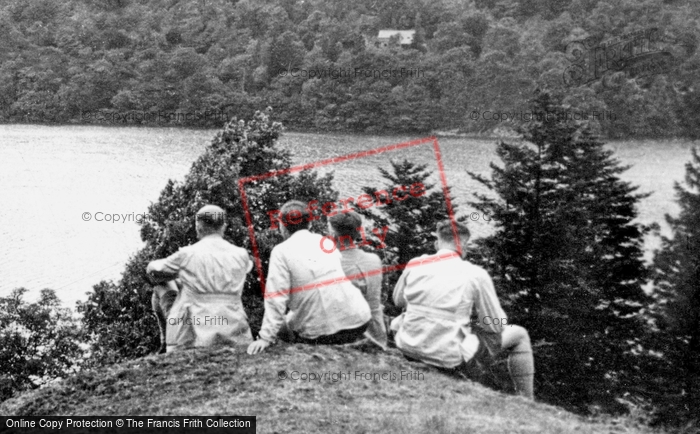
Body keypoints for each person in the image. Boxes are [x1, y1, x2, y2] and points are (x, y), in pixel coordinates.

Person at [391, 219, 535, 399]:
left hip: (409, 349)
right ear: (464, 246)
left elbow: (398, 301)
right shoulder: (476, 274)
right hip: (448, 359)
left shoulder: (416, 263)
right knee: (519, 334)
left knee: (400, 320)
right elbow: (495, 326)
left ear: (437, 243)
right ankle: (527, 400)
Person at [247, 200, 371, 355]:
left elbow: (276, 297)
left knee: (286, 325)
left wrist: (265, 337)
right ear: (310, 224)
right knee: (293, 318)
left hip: (323, 332)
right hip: (358, 319)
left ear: (282, 226)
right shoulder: (325, 242)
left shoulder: (281, 251)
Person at [147, 205, 254, 353]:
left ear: (198, 226)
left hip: (195, 335)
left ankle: (165, 342)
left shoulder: (187, 255)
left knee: (161, 287)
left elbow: (154, 271)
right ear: (224, 226)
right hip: (235, 331)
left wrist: (172, 270)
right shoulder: (241, 254)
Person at [328, 211, 388, 350]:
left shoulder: (330, 264)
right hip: (377, 333)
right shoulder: (374, 259)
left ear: (333, 235)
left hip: (349, 336)